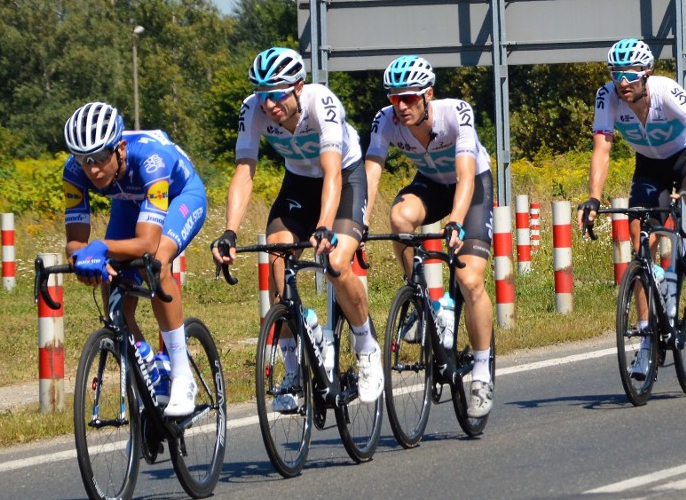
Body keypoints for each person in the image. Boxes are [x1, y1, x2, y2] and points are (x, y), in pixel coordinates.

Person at [211, 46, 383, 410]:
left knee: (336, 263)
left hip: (345, 177)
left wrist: (323, 226)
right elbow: (245, 171)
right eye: (261, 95)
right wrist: (230, 231)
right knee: (278, 255)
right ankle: (292, 373)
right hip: (299, 182)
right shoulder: (252, 109)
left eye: (276, 95)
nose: (268, 104)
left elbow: (333, 172)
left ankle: (366, 346)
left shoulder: (322, 102)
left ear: (298, 86)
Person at [577, 38, 686, 378]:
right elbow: (602, 148)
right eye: (616, 74)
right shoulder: (608, 96)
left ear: (647, 73)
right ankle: (646, 343)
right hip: (650, 164)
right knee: (641, 247)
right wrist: (594, 197)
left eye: (629, 74)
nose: (622, 82)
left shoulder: (666, 91)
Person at [365, 55, 495, 418]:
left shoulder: (456, 113)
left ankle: (482, 372)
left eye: (409, 98)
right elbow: (371, 173)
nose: (401, 106)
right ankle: (424, 302)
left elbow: (466, 176)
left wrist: (454, 221)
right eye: (395, 98)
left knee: (470, 281)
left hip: (471, 188)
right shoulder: (385, 121)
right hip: (432, 186)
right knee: (399, 217)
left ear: (428, 95)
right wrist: (357, 223)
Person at [63, 101, 208, 417]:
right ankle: (146, 364)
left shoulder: (151, 160)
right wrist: (81, 262)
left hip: (181, 196)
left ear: (121, 148)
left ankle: (182, 374)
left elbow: (146, 242)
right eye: (84, 161)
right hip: (128, 204)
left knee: (155, 261)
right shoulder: (73, 172)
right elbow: (75, 240)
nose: (93, 169)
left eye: (101, 158)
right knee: (112, 282)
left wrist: (100, 247)